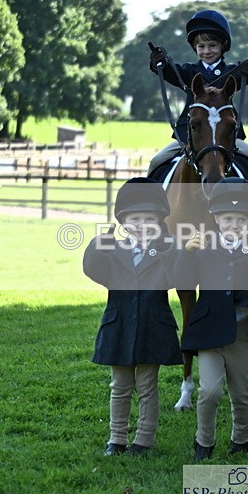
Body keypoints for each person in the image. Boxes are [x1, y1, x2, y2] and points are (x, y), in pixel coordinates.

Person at [148, 9, 248, 229]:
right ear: (195, 48)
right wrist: (160, 63)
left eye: (212, 45)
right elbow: (169, 72)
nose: (206, 51)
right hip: (190, 135)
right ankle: (150, 207)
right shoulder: (188, 72)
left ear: (223, 45)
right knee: (157, 160)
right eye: (201, 47)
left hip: (225, 135)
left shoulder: (233, 71)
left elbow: (244, 78)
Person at [173, 177, 248, 461]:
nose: (234, 225)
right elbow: (182, 279)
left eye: (240, 220)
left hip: (241, 332)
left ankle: (240, 439)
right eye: (228, 218)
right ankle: (203, 442)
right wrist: (186, 253)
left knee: (241, 392)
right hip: (209, 331)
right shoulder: (202, 246)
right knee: (209, 391)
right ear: (217, 218)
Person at [82, 177, 183, 457]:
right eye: (135, 220)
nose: (141, 226)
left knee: (148, 386)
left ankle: (143, 440)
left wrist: (166, 249)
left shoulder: (166, 249)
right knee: (120, 386)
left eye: (149, 220)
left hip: (153, 326)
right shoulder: (114, 250)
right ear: (124, 223)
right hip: (120, 327)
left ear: (160, 222)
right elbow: (93, 270)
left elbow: (177, 276)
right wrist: (98, 243)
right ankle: (116, 438)